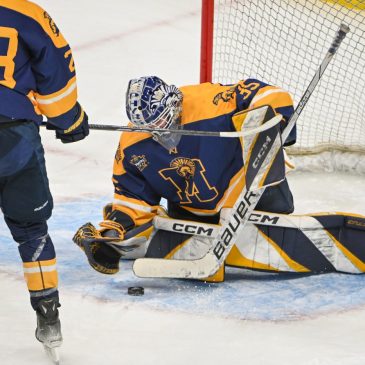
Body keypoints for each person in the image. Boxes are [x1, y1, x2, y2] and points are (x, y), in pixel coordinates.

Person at [73, 75, 296, 282]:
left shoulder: (208, 103)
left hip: (253, 197)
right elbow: (132, 197)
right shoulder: (133, 144)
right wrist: (113, 235)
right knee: (138, 234)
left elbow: (267, 94)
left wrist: (275, 121)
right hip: (194, 218)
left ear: (172, 103)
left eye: (160, 122)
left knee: (274, 200)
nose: (157, 132)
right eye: (148, 127)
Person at [0, 0, 89, 352]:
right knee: (31, 229)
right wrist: (71, 120)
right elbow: (56, 72)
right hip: (13, 136)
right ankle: (48, 317)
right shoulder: (26, 13)